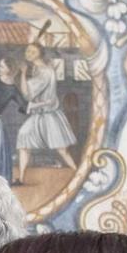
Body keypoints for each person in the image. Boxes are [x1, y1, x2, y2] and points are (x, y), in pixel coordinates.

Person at [14, 43, 78, 185]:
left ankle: (79, 174)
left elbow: (27, 94)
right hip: (38, 116)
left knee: (62, 149)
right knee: (24, 141)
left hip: (50, 116)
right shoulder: (37, 69)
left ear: (39, 53)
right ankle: (21, 178)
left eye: (32, 51)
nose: (28, 53)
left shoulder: (45, 71)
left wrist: (23, 74)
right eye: (27, 50)